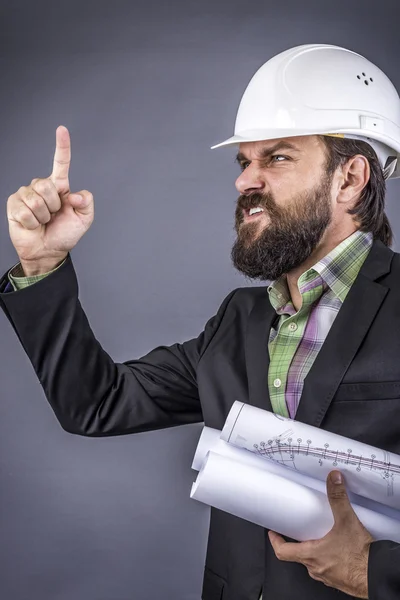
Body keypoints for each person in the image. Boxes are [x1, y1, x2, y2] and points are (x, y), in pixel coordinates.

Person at [0, 42, 400, 600]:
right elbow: (96, 403)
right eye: (244, 162)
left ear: (350, 178)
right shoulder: (239, 321)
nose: (244, 181)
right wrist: (43, 265)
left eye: (277, 158)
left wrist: (378, 574)